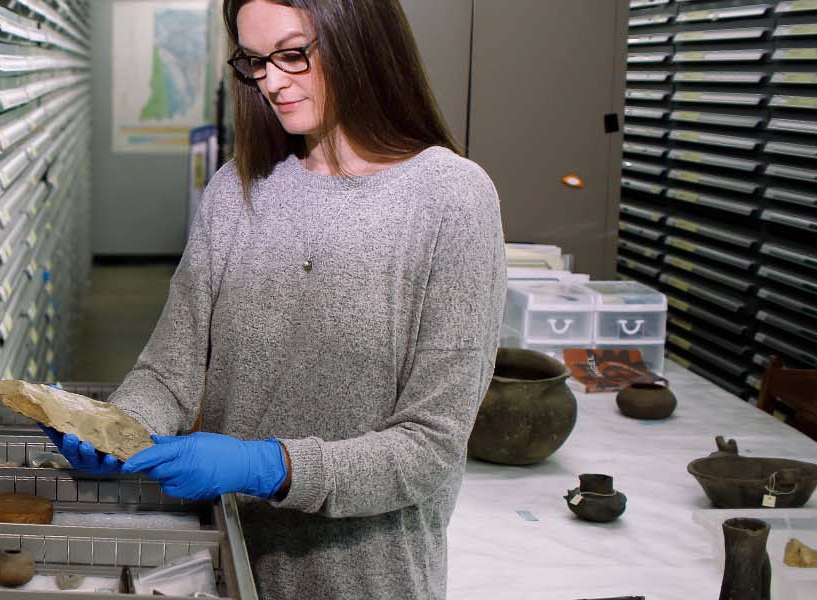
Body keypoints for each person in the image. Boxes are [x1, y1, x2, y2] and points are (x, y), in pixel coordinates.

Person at [41, 0, 506, 597]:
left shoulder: (452, 200)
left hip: (365, 577)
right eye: (255, 62)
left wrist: (272, 466)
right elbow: (170, 371)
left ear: (361, 38)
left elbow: (429, 449)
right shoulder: (238, 192)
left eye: (292, 55)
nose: (272, 83)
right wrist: (119, 427)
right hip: (226, 560)